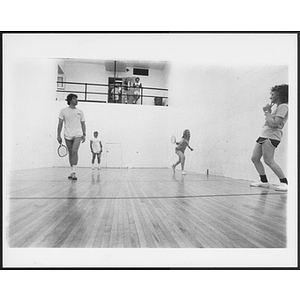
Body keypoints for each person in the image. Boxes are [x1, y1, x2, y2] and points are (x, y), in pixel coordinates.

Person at [250, 84, 289, 192]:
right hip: (264, 135)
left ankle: (284, 183)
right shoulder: (278, 107)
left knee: (268, 160)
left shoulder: (283, 106)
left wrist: (267, 112)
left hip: (271, 136)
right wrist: (268, 112)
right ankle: (264, 181)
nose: (270, 96)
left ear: (280, 94)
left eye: (273, 93)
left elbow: (275, 124)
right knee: (255, 158)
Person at [57, 94, 86, 180]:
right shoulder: (63, 111)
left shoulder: (80, 112)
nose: (77, 100)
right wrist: (58, 135)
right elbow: (60, 124)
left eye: (77, 99)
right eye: (74, 99)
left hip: (78, 134)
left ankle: (74, 172)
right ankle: (72, 171)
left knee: (74, 151)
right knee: (70, 153)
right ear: (70, 100)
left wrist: (84, 134)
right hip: (67, 134)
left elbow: (83, 123)